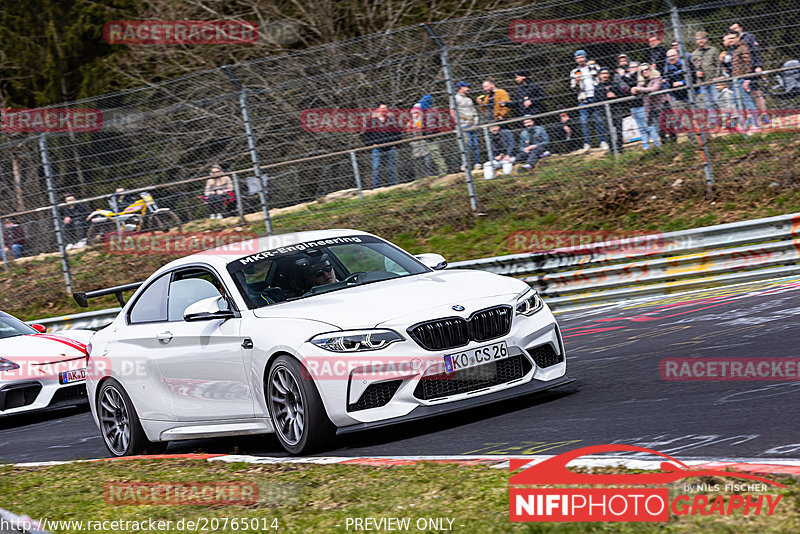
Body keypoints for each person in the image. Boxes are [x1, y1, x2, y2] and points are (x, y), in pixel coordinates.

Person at [570, 49, 608, 151]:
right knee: (584, 122)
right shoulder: (574, 72)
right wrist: (577, 82)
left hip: (596, 97)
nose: (580, 59)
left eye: (581, 57)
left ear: (585, 58)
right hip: (583, 99)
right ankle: (587, 143)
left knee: (599, 121)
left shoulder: (594, 67)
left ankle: (602, 141)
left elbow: (602, 78)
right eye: (577, 58)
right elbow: (573, 88)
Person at [730, 22, 767, 118]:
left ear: (740, 28)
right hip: (740, 71)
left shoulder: (749, 37)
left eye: (735, 28)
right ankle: (751, 116)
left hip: (752, 68)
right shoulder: (732, 41)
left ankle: (764, 114)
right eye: (732, 29)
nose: (734, 30)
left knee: (756, 92)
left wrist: (758, 66)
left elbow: (756, 51)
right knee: (746, 95)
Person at [360, 104, 402, 188]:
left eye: (385, 108)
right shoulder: (371, 121)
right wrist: (371, 144)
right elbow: (364, 135)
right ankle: (377, 187)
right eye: (382, 108)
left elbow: (398, 132)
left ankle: (392, 186)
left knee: (391, 168)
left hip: (390, 147)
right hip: (377, 147)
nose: (384, 110)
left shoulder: (391, 120)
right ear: (377, 110)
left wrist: (396, 144)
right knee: (376, 168)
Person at [724, 31, 758, 130]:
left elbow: (748, 64)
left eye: (732, 38)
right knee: (736, 101)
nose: (731, 41)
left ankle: (756, 124)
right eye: (729, 38)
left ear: (738, 38)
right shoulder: (734, 49)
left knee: (748, 101)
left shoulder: (742, 48)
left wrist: (747, 79)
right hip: (735, 79)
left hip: (742, 79)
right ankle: (743, 124)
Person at [630, 64, 668, 150]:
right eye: (642, 71)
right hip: (651, 107)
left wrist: (638, 89)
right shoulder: (642, 82)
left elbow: (654, 88)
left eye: (647, 69)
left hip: (662, 104)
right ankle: (664, 146)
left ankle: (673, 143)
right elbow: (637, 90)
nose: (645, 71)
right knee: (658, 128)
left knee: (666, 126)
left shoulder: (657, 77)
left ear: (650, 69)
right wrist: (634, 90)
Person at [410, 95, 447, 177]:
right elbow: (417, 123)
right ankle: (426, 175)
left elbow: (437, 121)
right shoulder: (419, 110)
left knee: (432, 154)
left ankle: (440, 171)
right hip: (424, 135)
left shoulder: (430, 110)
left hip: (430, 135)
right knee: (424, 156)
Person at [595, 67, 627, 153]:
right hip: (604, 112)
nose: (605, 75)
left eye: (606, 73)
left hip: (616, 109)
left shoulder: (615, 84)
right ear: (599, 75)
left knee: (619, 130)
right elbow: (596, 101)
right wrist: (605, 96)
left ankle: (620, 149)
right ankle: (612, 150)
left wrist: (615, 95)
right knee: (608, 131)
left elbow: (622, 96)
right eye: (603, 74)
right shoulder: (597, 88)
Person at [454, 81, 481, 169]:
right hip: (463, 123)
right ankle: (465, 163)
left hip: (472, 123)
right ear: (461, 88)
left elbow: (473, 110)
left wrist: (476, 120)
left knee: (475, 144)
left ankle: (477, 163)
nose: (468, 89)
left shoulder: (468, 99)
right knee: (467, 144)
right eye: (466, 87)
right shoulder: (455, 98)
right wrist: (458, 123)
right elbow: (453, 111)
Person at [691, 31, 721, 110]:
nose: (700, 41)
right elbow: (692, 68)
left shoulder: (713, 50)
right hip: (702, 82)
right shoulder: (694, 53)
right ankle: (715, 121)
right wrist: (696, 73)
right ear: (696, 41)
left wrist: (717, 77)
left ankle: (726, 119)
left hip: (713, 80)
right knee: (707, 103)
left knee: (718, 101)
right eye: (698, 39)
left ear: (706, 39)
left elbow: (718, 65)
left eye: (702, 39)